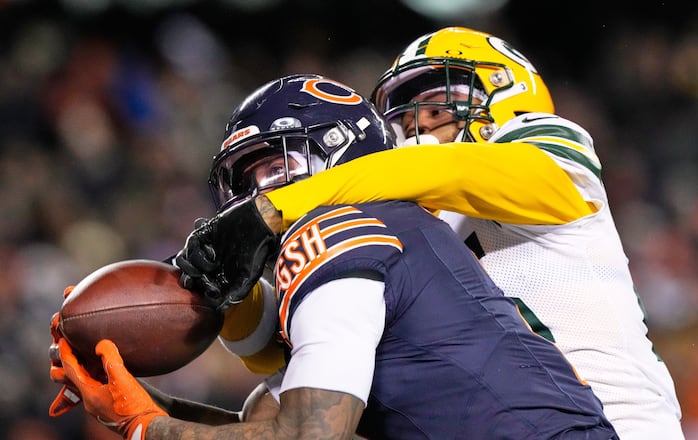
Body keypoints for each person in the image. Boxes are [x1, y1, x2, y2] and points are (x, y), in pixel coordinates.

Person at [50, 74, 618, 439]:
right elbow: (265, 426)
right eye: (248, 182)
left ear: (342, 154)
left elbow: (307, 437)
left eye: (276, 168)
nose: (260, 196)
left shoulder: (336, 231)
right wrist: (145, 403)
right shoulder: (386, 243)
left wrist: (146, 429)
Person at [200, 28, 685, 439]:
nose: (418, 125)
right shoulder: (400, 222)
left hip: (622, 423)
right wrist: (222, 288)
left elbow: (442, 170)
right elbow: (282, 349)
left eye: (436, 104)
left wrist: (276, 207)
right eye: (404, 116)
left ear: (505, 90)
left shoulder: (542, 148)